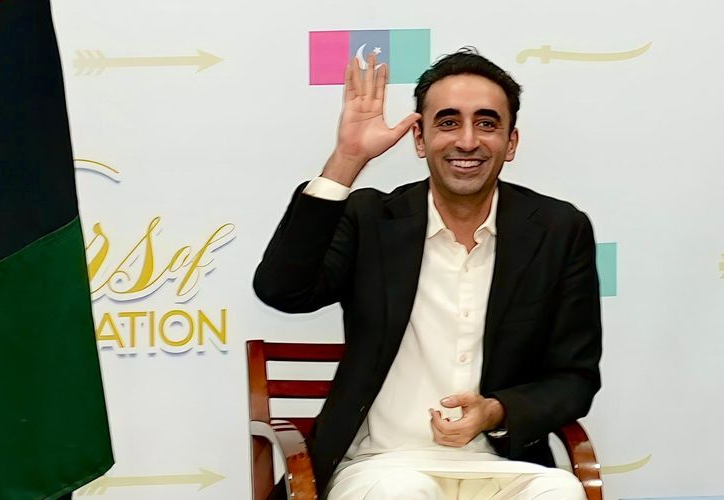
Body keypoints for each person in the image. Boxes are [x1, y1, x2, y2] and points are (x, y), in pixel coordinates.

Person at [254, 47, 601, 500]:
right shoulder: (371, 220)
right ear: (420, 139)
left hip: (505, 466)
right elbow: (282, 290)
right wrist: (347, 159)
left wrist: (496, 411)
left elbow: (574, 379)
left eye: (487, 123)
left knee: (562, 492)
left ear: (511, 142)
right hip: (382, 466)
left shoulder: (558, 230)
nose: (468, 141)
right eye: (448, 122)